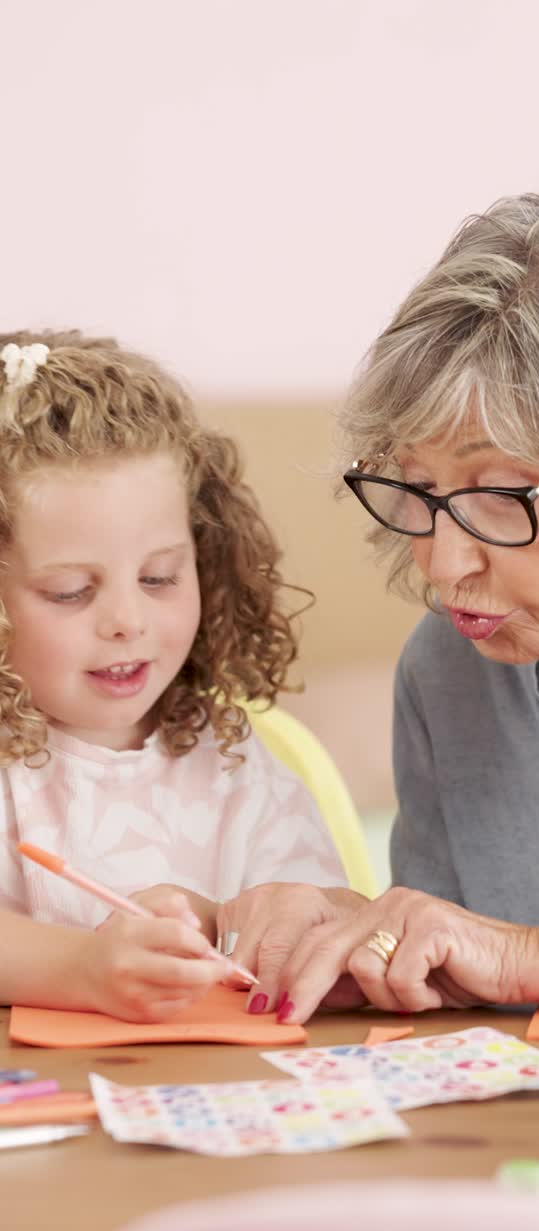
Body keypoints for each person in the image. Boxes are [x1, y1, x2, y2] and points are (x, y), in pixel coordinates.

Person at [229, 179, 539, 1025]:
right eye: (416, 488)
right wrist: (358, 950)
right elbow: (456, 980)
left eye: (501, 493)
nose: (442, 562)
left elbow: (503, 957)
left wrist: (530, 954)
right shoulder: (446, 672)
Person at [0, 331, 354, 1022]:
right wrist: (82, 971)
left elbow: (324, 926)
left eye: (159, 577)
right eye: (72, 590)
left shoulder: (232, 762)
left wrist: (228, 920)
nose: (126, 620)